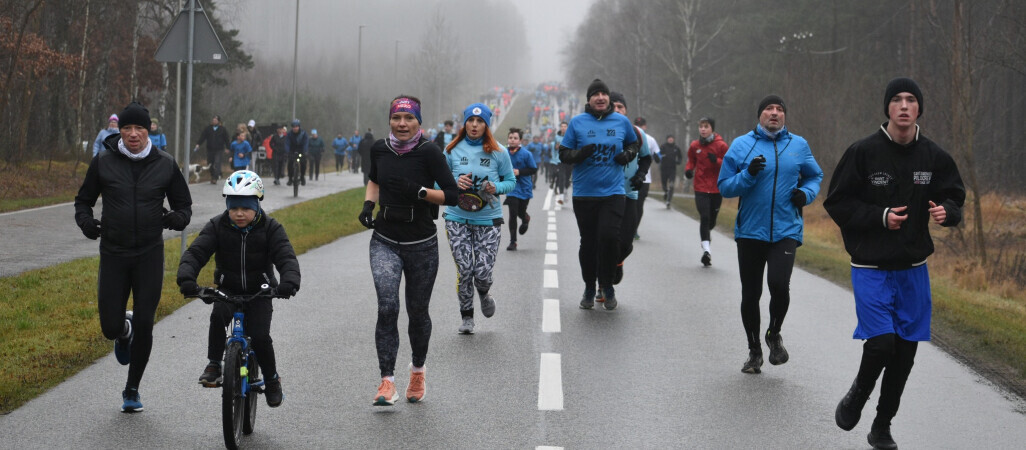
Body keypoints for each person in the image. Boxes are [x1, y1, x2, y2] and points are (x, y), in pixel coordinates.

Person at [824, 78, 965, 450]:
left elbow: (955, 198)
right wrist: (879, 216)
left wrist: (946, 212)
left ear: (919, 109)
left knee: (904, 354)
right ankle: (857, 395)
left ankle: (881, 426)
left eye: (911, 100)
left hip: (913, 269)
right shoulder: (863, 153)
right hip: (871, 267)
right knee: (882, 344)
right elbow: (836, 203)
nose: (904, 106)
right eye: (897, 100)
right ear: (887, 108)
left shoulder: (933, 157)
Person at [74, 102, 193, 412]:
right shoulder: (103, 161)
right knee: (109, 328)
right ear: (119, 131)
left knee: (145, 321)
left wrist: (175, 219)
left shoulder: (165, 163)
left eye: (139, 128)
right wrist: (86, 223)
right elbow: (83, 201)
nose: (133, 134)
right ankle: (121, 331)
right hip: (113, 252)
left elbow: (184, 207)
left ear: (149, 129)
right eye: (127, 128)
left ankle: (132, 389)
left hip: (149, 254)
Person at [359, 95, 457, 406]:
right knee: (387, 308)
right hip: (385, 241)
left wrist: (421, 192)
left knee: (417, 312)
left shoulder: (429, 152)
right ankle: (387, 382)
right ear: (390, 120)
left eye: (409, 119)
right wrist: (368, 205)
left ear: (419, 122)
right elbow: (374, 180)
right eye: (397, 118)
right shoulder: (379, 149)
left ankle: (417, 371)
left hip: (422, 246)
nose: (402, 124)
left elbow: (453, 195)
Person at [717, 95, 823, 374]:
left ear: (784, 116)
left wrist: (806, 194)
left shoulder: (798, 145)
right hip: (751, 231)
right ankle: (754, 352)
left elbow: (815, 176)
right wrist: (748, 175)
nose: (775, 113)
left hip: (786, 229)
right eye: (769, 109)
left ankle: (773, 334)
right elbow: (725, 187)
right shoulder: (742, 145)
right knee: (751, 293)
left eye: (779, 110)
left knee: (779, 284)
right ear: (759, 115)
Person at [177, 170, 301, 408]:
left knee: (261, 336)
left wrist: (289, 282)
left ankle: (272, 380)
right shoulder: (217, 226)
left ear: (257, 206)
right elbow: (196, 253)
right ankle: (214, 363)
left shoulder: (271, 228)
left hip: (260, 292)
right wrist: (187, 278)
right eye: (234, 208)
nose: (239, 213)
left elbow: (286, 257)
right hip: (228, 290)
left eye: (245, 208)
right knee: (218, 316)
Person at [558, 79, 639, 311]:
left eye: (604, 93)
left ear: (609, 99)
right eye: (596, 94)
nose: (601, 97)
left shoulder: (622, 122)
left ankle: (607, 284)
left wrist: (627, 155)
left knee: (609, 238)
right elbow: (563, 154)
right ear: (589, 99)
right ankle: (589, 286)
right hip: (584, 194)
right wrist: (580, 154)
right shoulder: (577, 123)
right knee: (589, 242)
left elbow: (633, 145)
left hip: (613, 193)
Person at [443, 103, 516, 334]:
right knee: (464, 269)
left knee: (481, 273)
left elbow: (511, 182)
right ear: (464, 123)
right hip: (457, 218)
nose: (475, 125)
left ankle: (484, 292)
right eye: (471, 121)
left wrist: (496, 187)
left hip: (489, 221)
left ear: (487, 124)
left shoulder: (499, 152)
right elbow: (436, 183)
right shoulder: (451, 150)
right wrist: (453, 183)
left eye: (480, 121)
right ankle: (467, 317)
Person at [609, 92, 652, 287]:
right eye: (614, 106)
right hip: (606, 195)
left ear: (626, 110)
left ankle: (618, 262)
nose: (617, 110)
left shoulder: (637, 133)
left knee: (626, 243)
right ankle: (603, 282)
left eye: (621, 107)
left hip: (629, 194)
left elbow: (647, 158)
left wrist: (641, 175)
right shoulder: (602, 130)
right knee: (605, 240)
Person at [686, 117, 728, 266]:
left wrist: (716, 160)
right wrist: (689, 170)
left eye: (706, 126)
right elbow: (691, 161)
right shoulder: (695, 145)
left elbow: (729, 164)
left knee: (711, 221)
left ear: (712, 128)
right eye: (701, 126)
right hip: (701, 187)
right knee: (704, 217)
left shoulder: (721, 145)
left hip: (717, 188)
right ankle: (707, 251)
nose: (703, 129)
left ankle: (706, 237)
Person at [504, 127, 538, 251]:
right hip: (511, 188)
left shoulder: (526, 154)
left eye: (515, 138)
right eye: (510, 138)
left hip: (524, 187)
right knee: (512, 213)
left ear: (520, 140)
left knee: (520, 211)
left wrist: (520, 172)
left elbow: (533, 169)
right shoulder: (504, 153)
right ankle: (513, 241)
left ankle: (525, 218)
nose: (512, 140)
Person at [632, 117, 659, 239]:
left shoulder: (631, 135)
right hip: (643, 178)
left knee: (631, 204)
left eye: (639, 125)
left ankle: (631, 228)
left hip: (635, 176)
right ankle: (634, 229)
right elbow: (658, 156)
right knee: (638, 205)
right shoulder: (650, 139)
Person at [195, 115, 231, 184]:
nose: (214, 121)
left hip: (219, 149)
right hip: (210, 149)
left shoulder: (222, 129)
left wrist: (228, 147)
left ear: (219, 121)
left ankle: (215, 177)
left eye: (215, 120)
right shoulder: (208, 128)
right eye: (213, 120)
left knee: (217, 163)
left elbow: (227, 139)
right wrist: (198, 144)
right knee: (210, 163)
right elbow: (203, 136)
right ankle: (212, 175)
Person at [658, 135, 683, 208]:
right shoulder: (663, 146)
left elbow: (680, 157)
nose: (671, 140)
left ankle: (668, 201)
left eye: (672, 139)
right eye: (669, 139)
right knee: (664, 184)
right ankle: (666, 192)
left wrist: (679, 161)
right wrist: (661, 157)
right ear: (667, 139)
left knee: (671, 185)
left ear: (674, 140)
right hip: (664, 168)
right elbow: (658, 155)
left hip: (672, 169)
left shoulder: (676, 148)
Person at [284, 119, 308, 186]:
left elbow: (306, 143)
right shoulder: (289, 134)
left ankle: (302, 177)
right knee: (290, 163)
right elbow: (287, 143)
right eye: (293, 126)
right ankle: (290, 178)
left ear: (299, 126)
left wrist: (305, 151)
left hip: (301, 152)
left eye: (296, 126)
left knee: (303, 162)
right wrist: (287, 151)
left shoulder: (303, 134)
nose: (295, 128)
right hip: (292, 151)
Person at [552, 121, 570, 205]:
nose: (563, 128)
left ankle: (565, 190)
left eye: (565, 126)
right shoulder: (557, 137)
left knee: (567, 178)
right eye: (562, 126)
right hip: (560, 160)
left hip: (570, 160)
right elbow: (555, 148)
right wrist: (557, 147)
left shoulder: (571, 136)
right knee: (561, 177)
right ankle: (561, 196)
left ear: (567, 127)